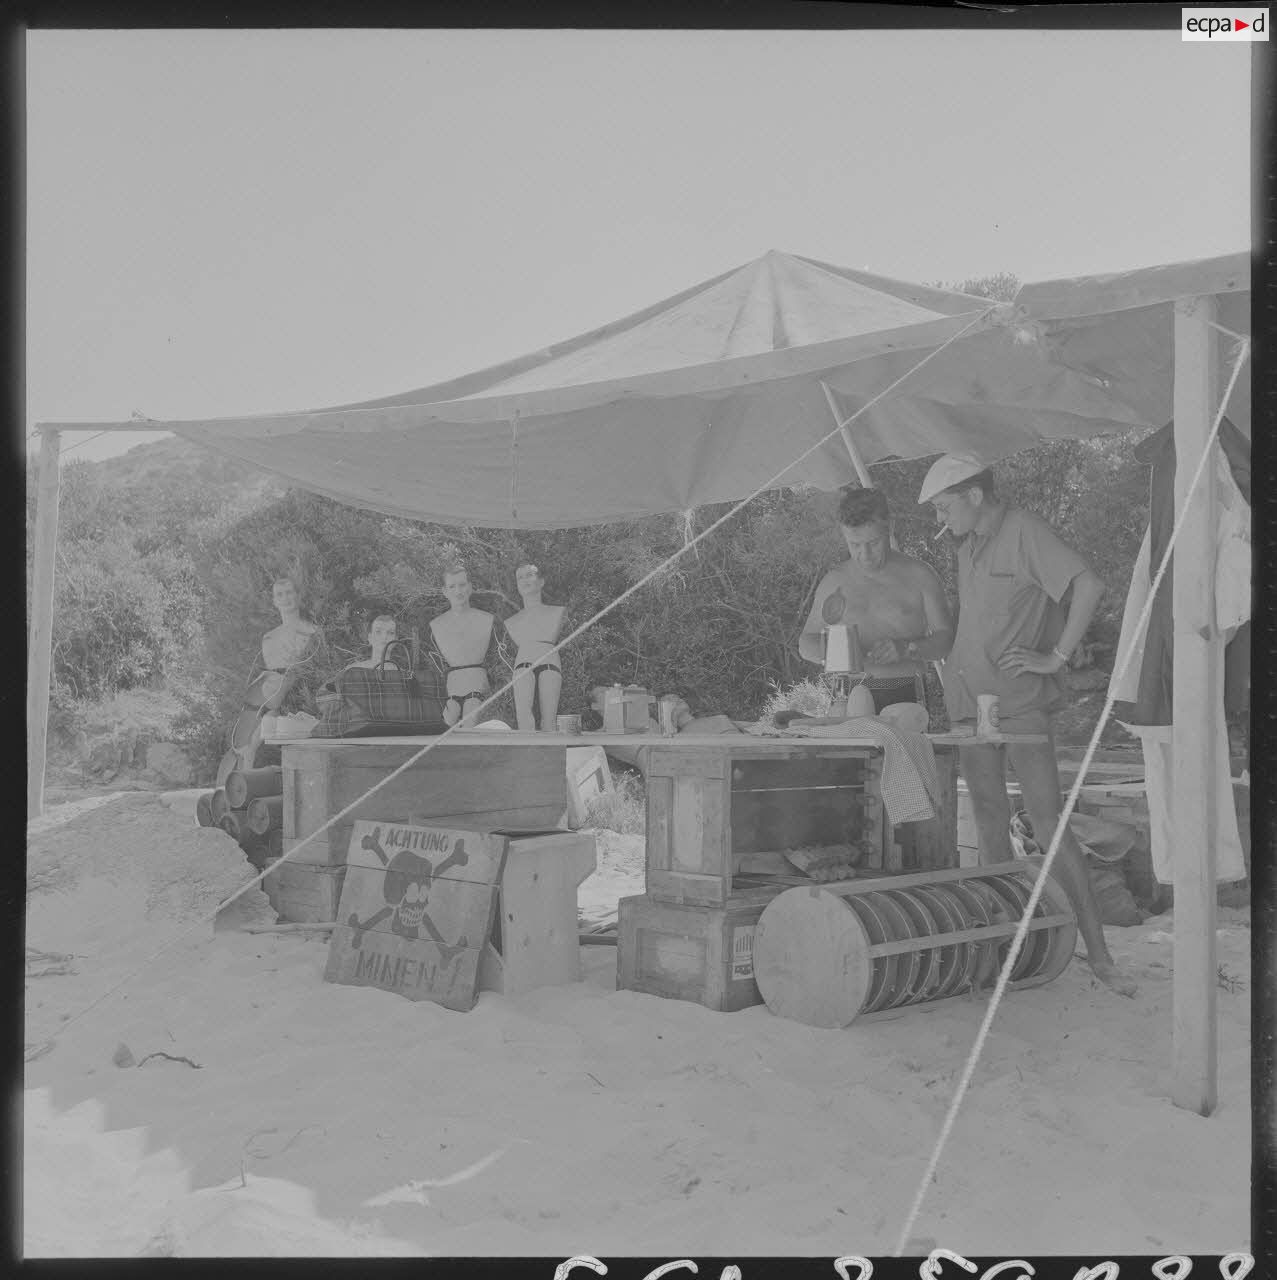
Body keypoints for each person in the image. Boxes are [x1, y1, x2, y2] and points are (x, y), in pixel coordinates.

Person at [918, 451, 1137, 997]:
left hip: (1019, 701)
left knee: (1048, 825)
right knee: (989, 818)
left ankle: (1102, 955)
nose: (942, 521)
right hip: (967, 700)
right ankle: (1003, 949)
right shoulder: (967, 545)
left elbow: (1089, 585)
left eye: (946, 507)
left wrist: (1057, 658)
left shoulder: (1025, 531)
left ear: (973, 495)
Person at [798, 486, 953, 712]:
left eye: (873, 543)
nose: (864, 554)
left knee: (904, 749)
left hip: (906, 692)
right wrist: (839, 650)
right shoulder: (834, 582)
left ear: (888, 528)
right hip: (846, 695)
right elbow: (805, 644)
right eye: (854, 545)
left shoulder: (920, 575)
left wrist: (908, 648)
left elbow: (946, 641)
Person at [425, 563, 514, 727]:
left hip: (477, 685)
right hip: (451, 688)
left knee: (470, 726)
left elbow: (499, 660)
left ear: (470, 587)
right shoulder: (436, 625)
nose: (458, 591)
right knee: (442, 729)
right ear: (445, 591)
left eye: (462, 585)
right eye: (452, 586)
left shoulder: (486, 619)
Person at [505, 564, 566, 731]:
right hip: (522, 663)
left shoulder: (556, 612)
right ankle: (527, 755)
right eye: (520, 577)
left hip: (550, 661)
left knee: (549, 720)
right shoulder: (512, 622)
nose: (525, 580)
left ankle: (550, 755)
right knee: (523, 718)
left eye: (529, 575)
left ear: (541, 581)